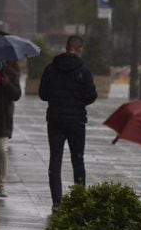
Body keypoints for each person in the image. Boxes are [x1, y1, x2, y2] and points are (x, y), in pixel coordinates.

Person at [38, 35, 97, 209]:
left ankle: (57, 201)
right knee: (77, 159)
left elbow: (43, 94)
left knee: (55, 160)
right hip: (76, 121)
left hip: (55, 120)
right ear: (79, 48)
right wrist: (78, 102)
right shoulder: (83, 71)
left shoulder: (51, 69)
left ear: (67, 47)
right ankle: (79, 199)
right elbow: (91, 95)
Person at [0, 60, 21, 198]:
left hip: (4, 120)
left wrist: (8, 84)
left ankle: (1, 185)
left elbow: (17, 95)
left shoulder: (10, 73)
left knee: (2, 149)